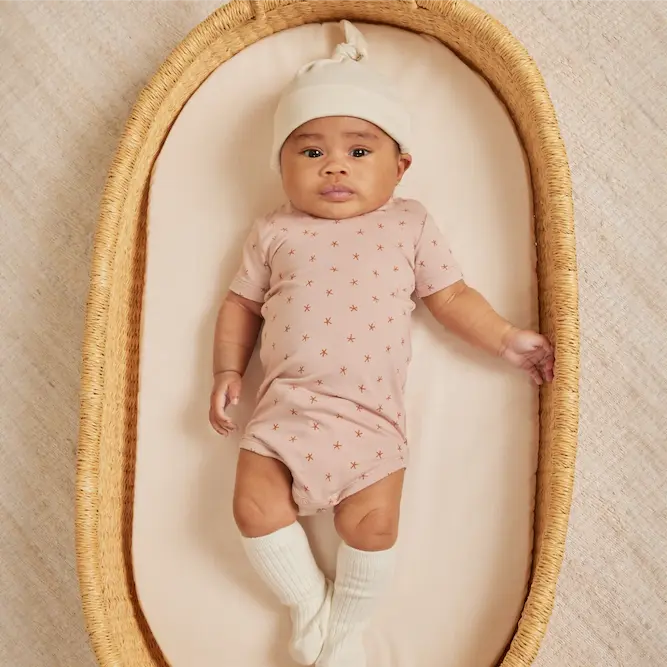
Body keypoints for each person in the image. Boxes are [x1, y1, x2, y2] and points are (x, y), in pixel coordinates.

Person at [209, 21, 554, 667]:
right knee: (253, 506)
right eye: (310, 151)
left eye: (359, 150)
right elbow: (241, 304)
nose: (334, 165)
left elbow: (451, 296)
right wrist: (227, 368)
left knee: (372, 526)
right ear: (280, 167)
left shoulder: (408, 223)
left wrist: (505, 338)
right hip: (284, 412)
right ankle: (308, 610)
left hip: (370, 422)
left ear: (400, 167)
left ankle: (345, 631)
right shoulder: (274, 230)